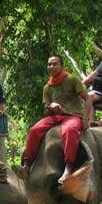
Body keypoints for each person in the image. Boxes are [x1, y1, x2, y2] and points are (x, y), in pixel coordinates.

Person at [21, 54, 89, 182]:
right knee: (34, 130)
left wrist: (86, 119)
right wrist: (51, 106)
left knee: (69, 130)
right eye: (49, 64)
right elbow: (46, 107)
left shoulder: (72, 80)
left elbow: (87, 99)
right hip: (56, 117)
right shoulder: (47, 87)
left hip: (73, 115)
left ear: (61, 66)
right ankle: (27, 165)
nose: (51, 66)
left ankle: (69, 168)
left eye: (54, 64)